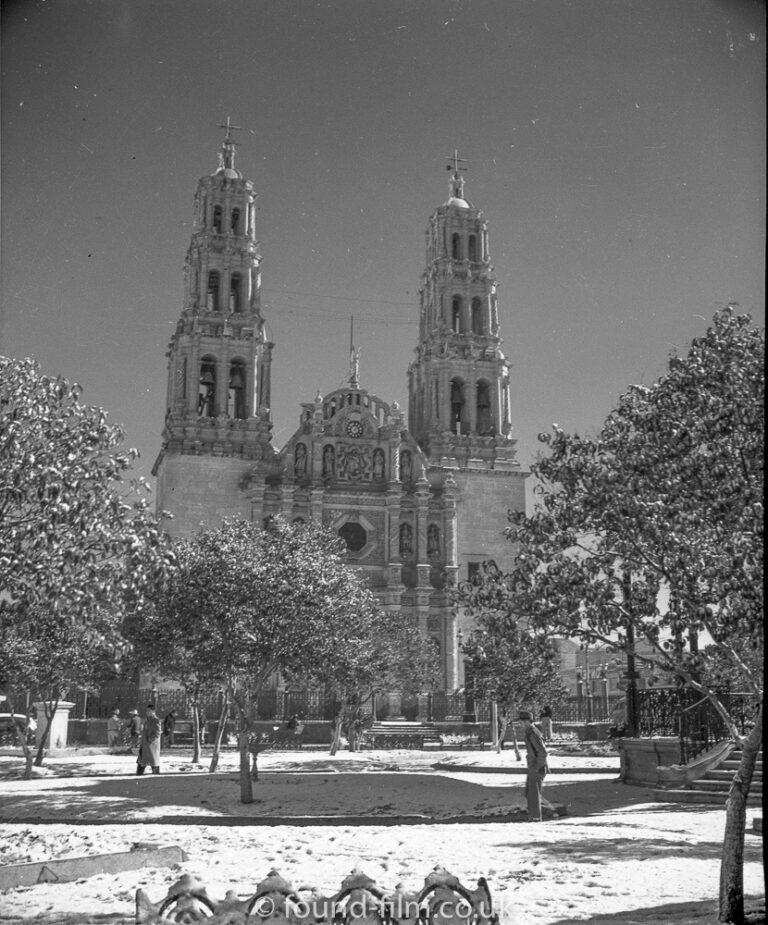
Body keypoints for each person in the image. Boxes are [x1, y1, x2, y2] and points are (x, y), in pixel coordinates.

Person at [519, 710, 548, 822]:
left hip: (537, 768)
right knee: (529, 793)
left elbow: (543, 753)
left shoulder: (533, 734)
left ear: (526, 722)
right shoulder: (530, 732)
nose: (520, 725)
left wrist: (536, 768)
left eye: (521, 722)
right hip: (534, 767)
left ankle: (535, 818)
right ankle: (534, 816)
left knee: (533, 795)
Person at [136, 704, 161, 775]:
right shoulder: (147, 721)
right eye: (146, 711)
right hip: (145, 745)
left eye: (149, 711)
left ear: (153, 711)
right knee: (141, 761)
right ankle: (139, 774)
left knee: (154, 762)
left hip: (151, 746)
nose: (147, 712)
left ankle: (156, 775)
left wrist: (149, 740)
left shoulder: (156, 720)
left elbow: (157, 733)